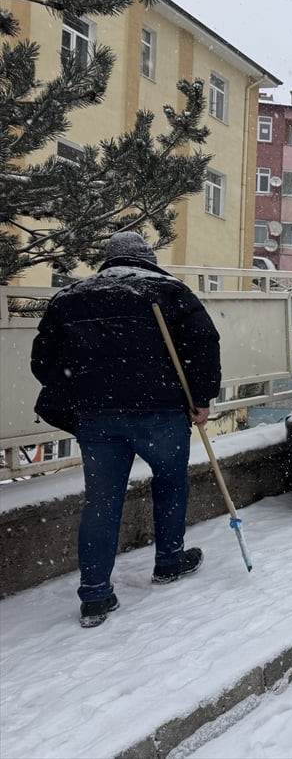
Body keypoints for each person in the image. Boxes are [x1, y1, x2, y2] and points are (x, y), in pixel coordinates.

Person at [30, 232, 221, 628]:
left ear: (107, 259)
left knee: (101, 501)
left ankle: (95, 594)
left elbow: (42, 360)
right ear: (148, 258)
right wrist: (201, 398)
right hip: (161, 412)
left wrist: (81, 385)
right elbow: (203, 344)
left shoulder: (70, 298)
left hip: (98, 418)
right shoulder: (169, 291)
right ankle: (169, 560)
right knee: (170, 483)